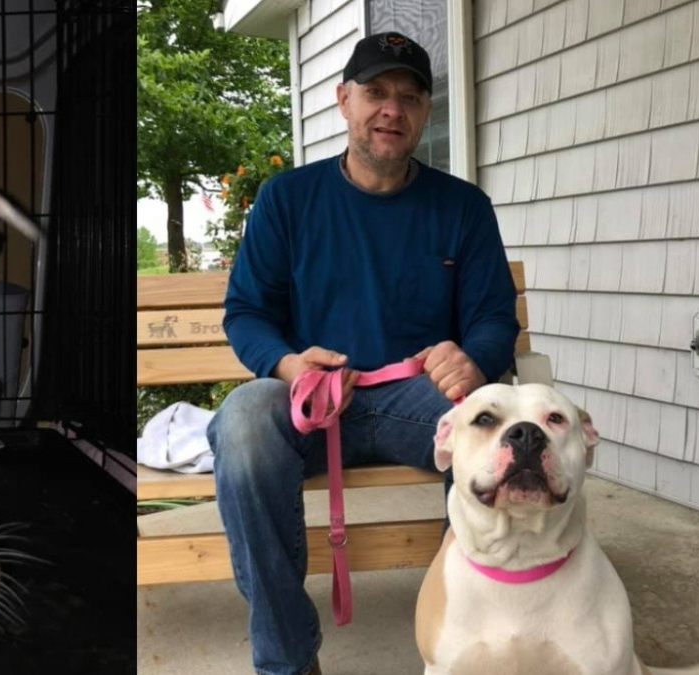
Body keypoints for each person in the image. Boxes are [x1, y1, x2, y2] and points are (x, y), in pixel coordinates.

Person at [205, 32, 520, 675]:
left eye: (408, 97)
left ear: (426, 111)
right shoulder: (286, 200)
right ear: (343, 100)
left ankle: (468, 635)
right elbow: (246, 314)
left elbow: (492, 317)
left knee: (495, 429)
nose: (391, 110)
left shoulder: (464, 207)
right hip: (313, 402)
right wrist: (291, 365)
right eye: (375, 93)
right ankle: (288, 660)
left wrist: (475, 361)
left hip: (418, 401)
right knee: (240, 423)